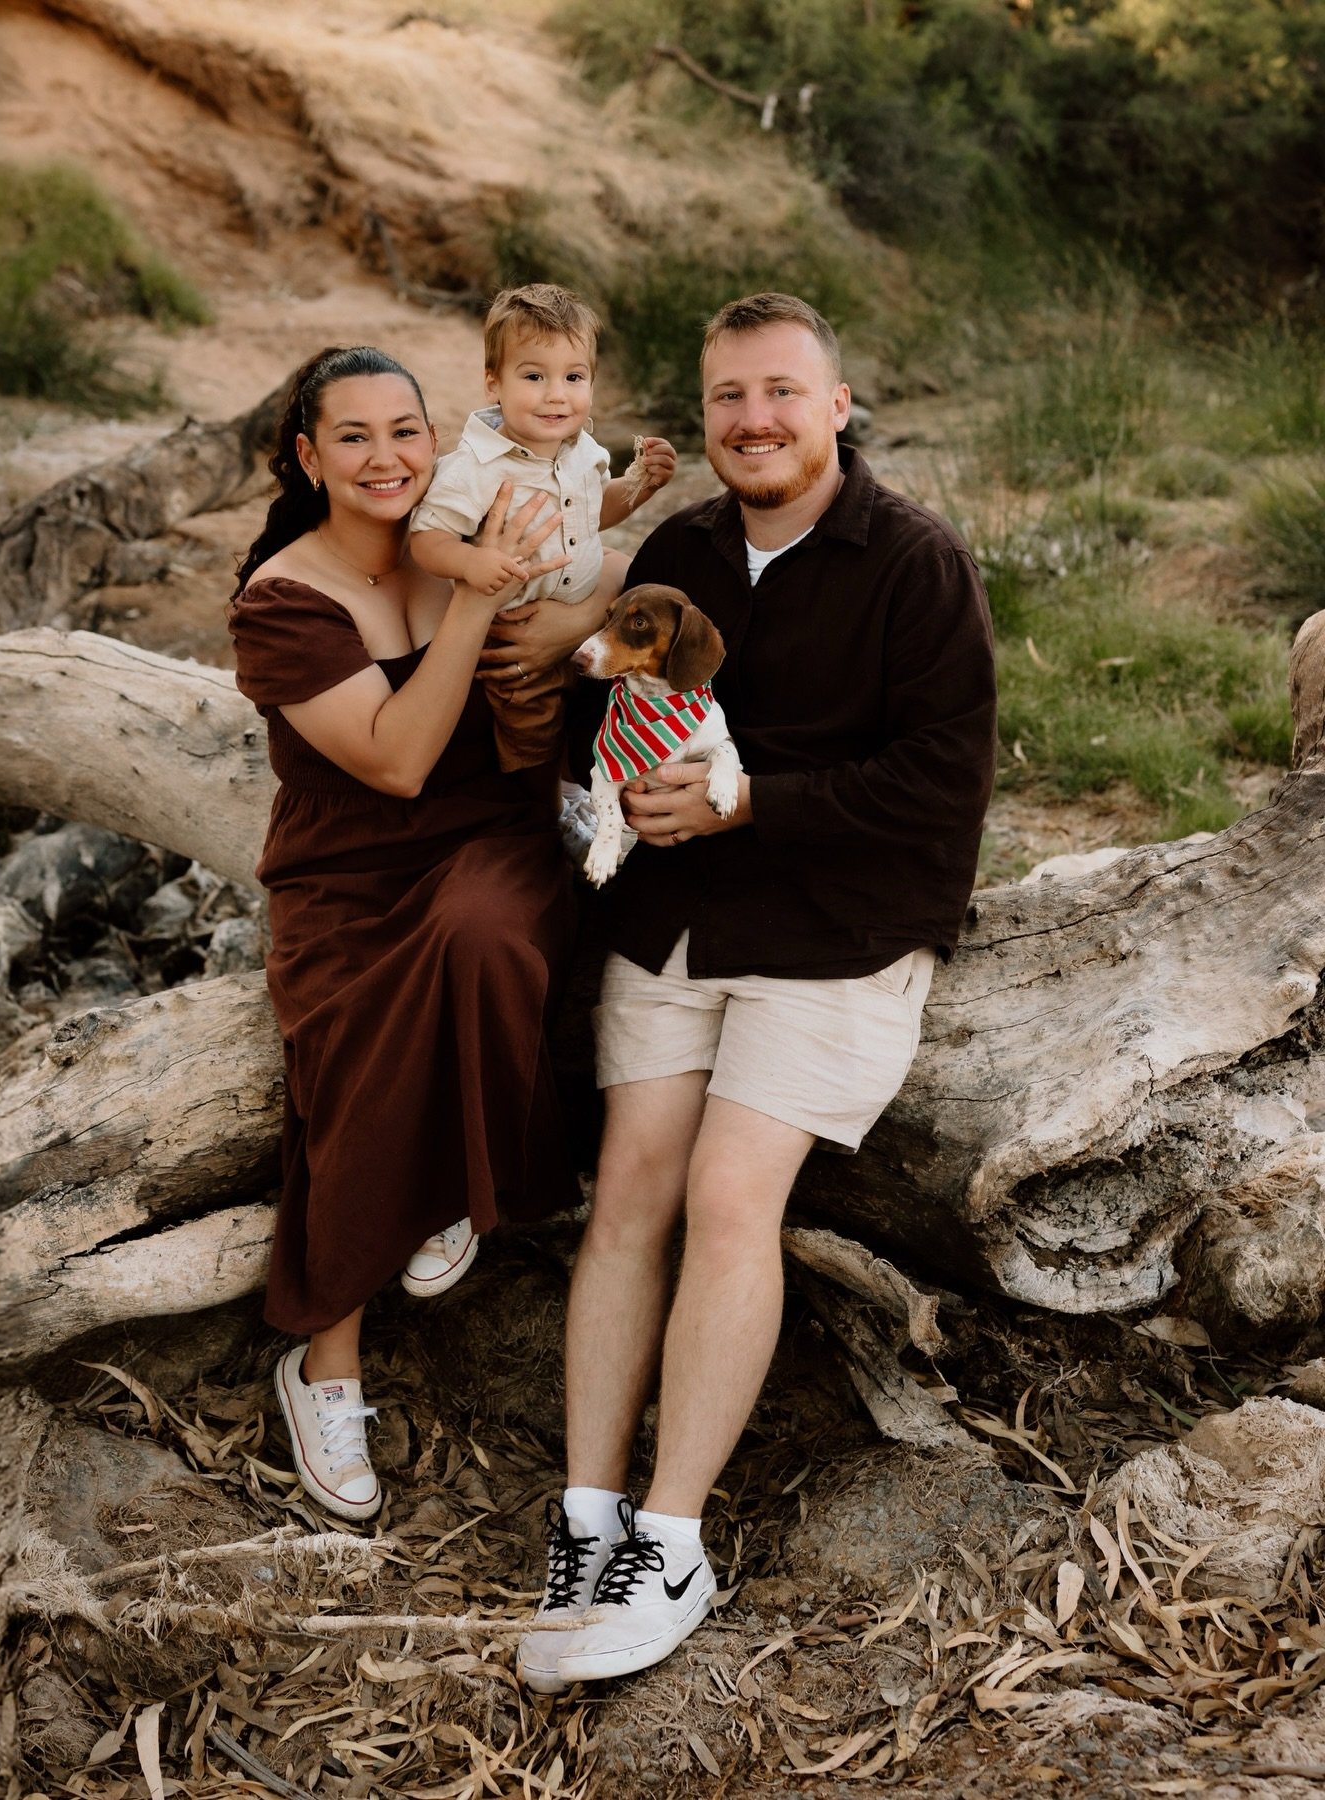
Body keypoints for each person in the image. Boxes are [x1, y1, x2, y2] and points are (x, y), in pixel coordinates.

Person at [517, 293, 997, 1691]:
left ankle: (671, 1544)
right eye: (730, 398)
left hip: (840, 932)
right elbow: (601, 706)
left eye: (783, 393)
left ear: (837, 407)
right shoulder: (680, 549)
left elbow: (940, 783)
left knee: (733, 1196)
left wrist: (743, 804)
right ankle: (587, 1515)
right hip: (673, 924)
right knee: (628, 1193)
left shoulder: (917, 564)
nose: (755, 421)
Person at [227, 344, 583, 1523]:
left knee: (481, 931)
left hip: (493, 839)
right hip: (346, 872)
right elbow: (395, 758)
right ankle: (326, 1368)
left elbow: (587, 597)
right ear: (308, 457)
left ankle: (458, 1185)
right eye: (355, 436)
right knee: (346, 1037)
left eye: (407, 431)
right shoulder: (284, 599)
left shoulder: (469, 531)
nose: (387, 458)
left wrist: (545, 626)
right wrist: (479, 602)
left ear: (443, 440)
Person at [411, 283, 676, 773]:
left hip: (582, 623)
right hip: (512, 633)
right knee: (530, 728)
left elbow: (594, 514)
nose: (557, 394)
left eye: (574, 377)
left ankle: (585, 786)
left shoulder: (582, 451)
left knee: (587, 712)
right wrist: (470, 560)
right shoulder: (475, 467)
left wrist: (641, 485)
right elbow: (427, 538)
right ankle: (539, 807)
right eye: (534, 376)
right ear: (494, 383)